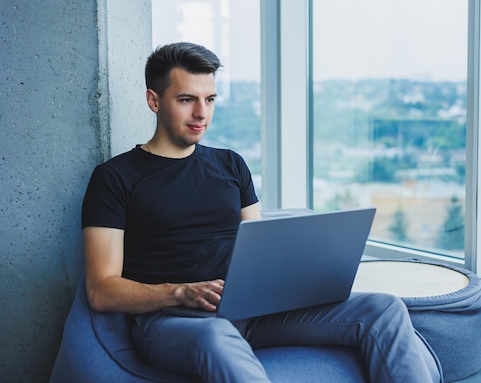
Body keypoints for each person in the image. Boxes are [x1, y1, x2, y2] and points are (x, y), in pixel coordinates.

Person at [81, 42, 442, 383]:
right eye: (186, 99)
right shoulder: (115, 177)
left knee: (384, 309)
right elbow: (101, 290)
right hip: (174, 322)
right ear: (153, 100)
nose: (201, 113)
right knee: (216, 335)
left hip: (252, 311)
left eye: (209, 99)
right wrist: (181, 293)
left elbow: (259, 252)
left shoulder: (230, 164)